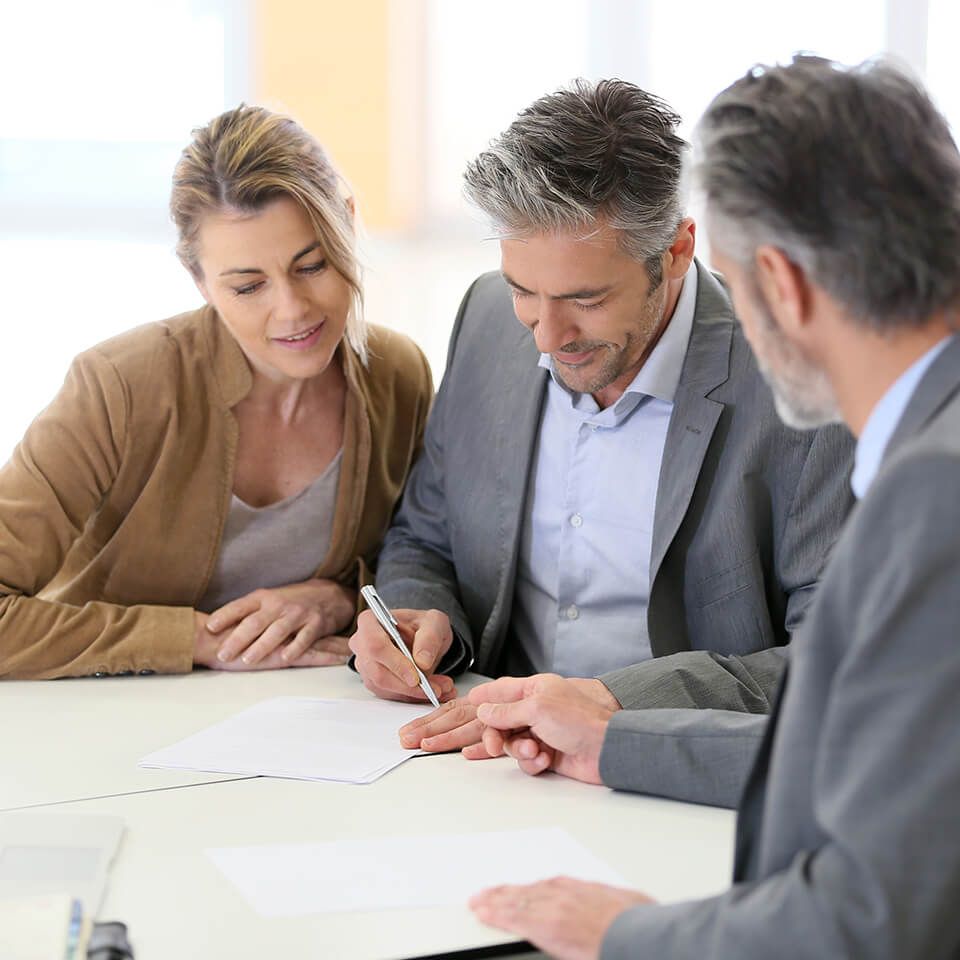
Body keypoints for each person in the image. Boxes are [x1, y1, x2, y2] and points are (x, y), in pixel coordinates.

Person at [467, 55, 960, 960]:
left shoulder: (936, 493)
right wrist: (618, 743)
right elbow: (884, 766)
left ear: (783, 283)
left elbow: (880, 915)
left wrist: (627, 934)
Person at [349, 80, 853, 758]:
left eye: (585, 298)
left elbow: (837, 656)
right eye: (525, 289)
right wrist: (419, 621)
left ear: (676, 251)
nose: (546, 335)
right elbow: (425, 535)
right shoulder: (488, 318)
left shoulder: (804, 385)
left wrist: (617, 706)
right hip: (479, 750)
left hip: (664, 770)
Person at [0, 105, 432, 680]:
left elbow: (426, 556)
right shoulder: (118, 387)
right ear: (199, 280)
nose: (293, 309)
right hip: (110, 723)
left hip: (317, 722)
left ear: (349, 225)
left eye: (313, 265)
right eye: (248, 286)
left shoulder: (397, 376)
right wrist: (196, 639)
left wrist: (340, 597)